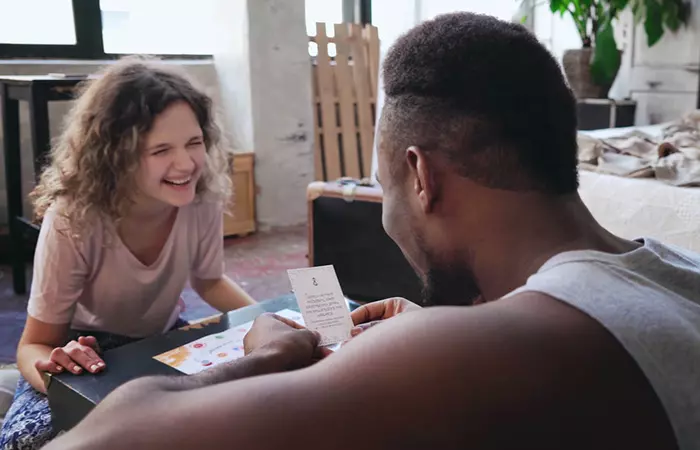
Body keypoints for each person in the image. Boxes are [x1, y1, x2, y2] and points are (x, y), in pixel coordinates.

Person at [46, 12, 700, 450]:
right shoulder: (673, 274)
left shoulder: (492, 346)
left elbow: (101, 441)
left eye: (381, 189)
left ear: (420, 177)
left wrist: (267, 358)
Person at [0, 56, 256, 450]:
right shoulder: (75, 217)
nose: (186, 164)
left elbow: (209, 280)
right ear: (116, 156)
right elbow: (32, 346)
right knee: (29, 442)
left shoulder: (200, 198)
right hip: (84, 352)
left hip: (162, 340)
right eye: (160, 150)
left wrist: (271, 317)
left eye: (194, 143)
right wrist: (64, 375)